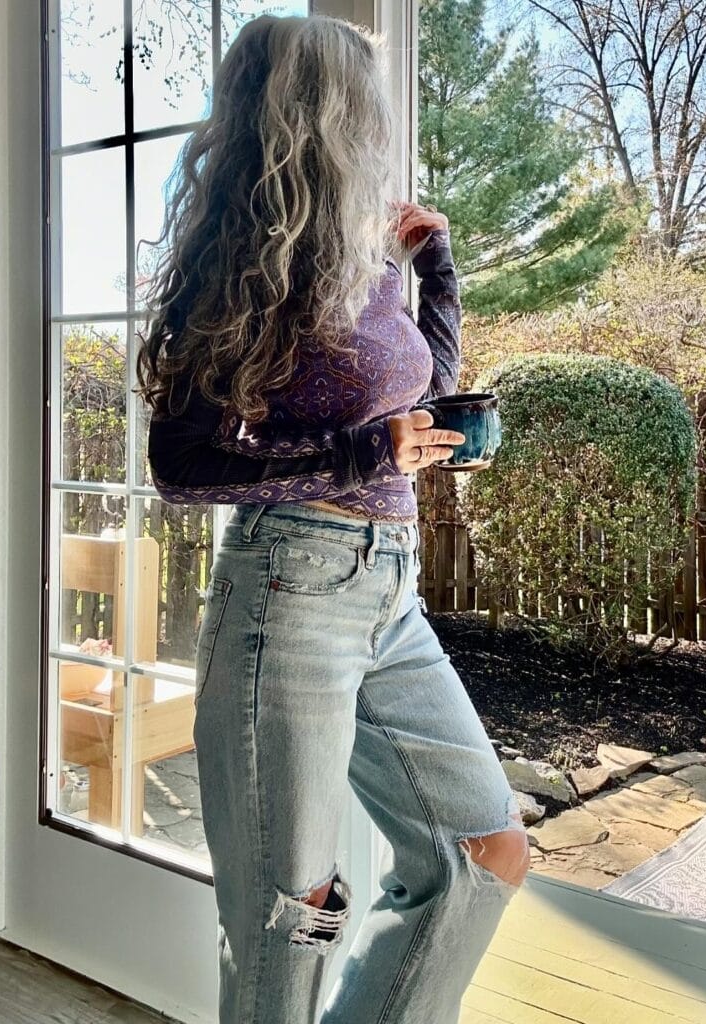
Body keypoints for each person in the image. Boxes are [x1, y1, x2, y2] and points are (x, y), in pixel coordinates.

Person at [135, 12, 531, 1024]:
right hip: (290, 588)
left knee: (484, 849)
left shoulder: (367, 259)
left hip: (389, 589)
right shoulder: (240, 265)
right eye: (364, 103)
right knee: (292, 914)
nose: (377, 124)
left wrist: (436, 263)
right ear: (318, 115)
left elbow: (426, 390)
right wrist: (361, 452)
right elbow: (181, 464)